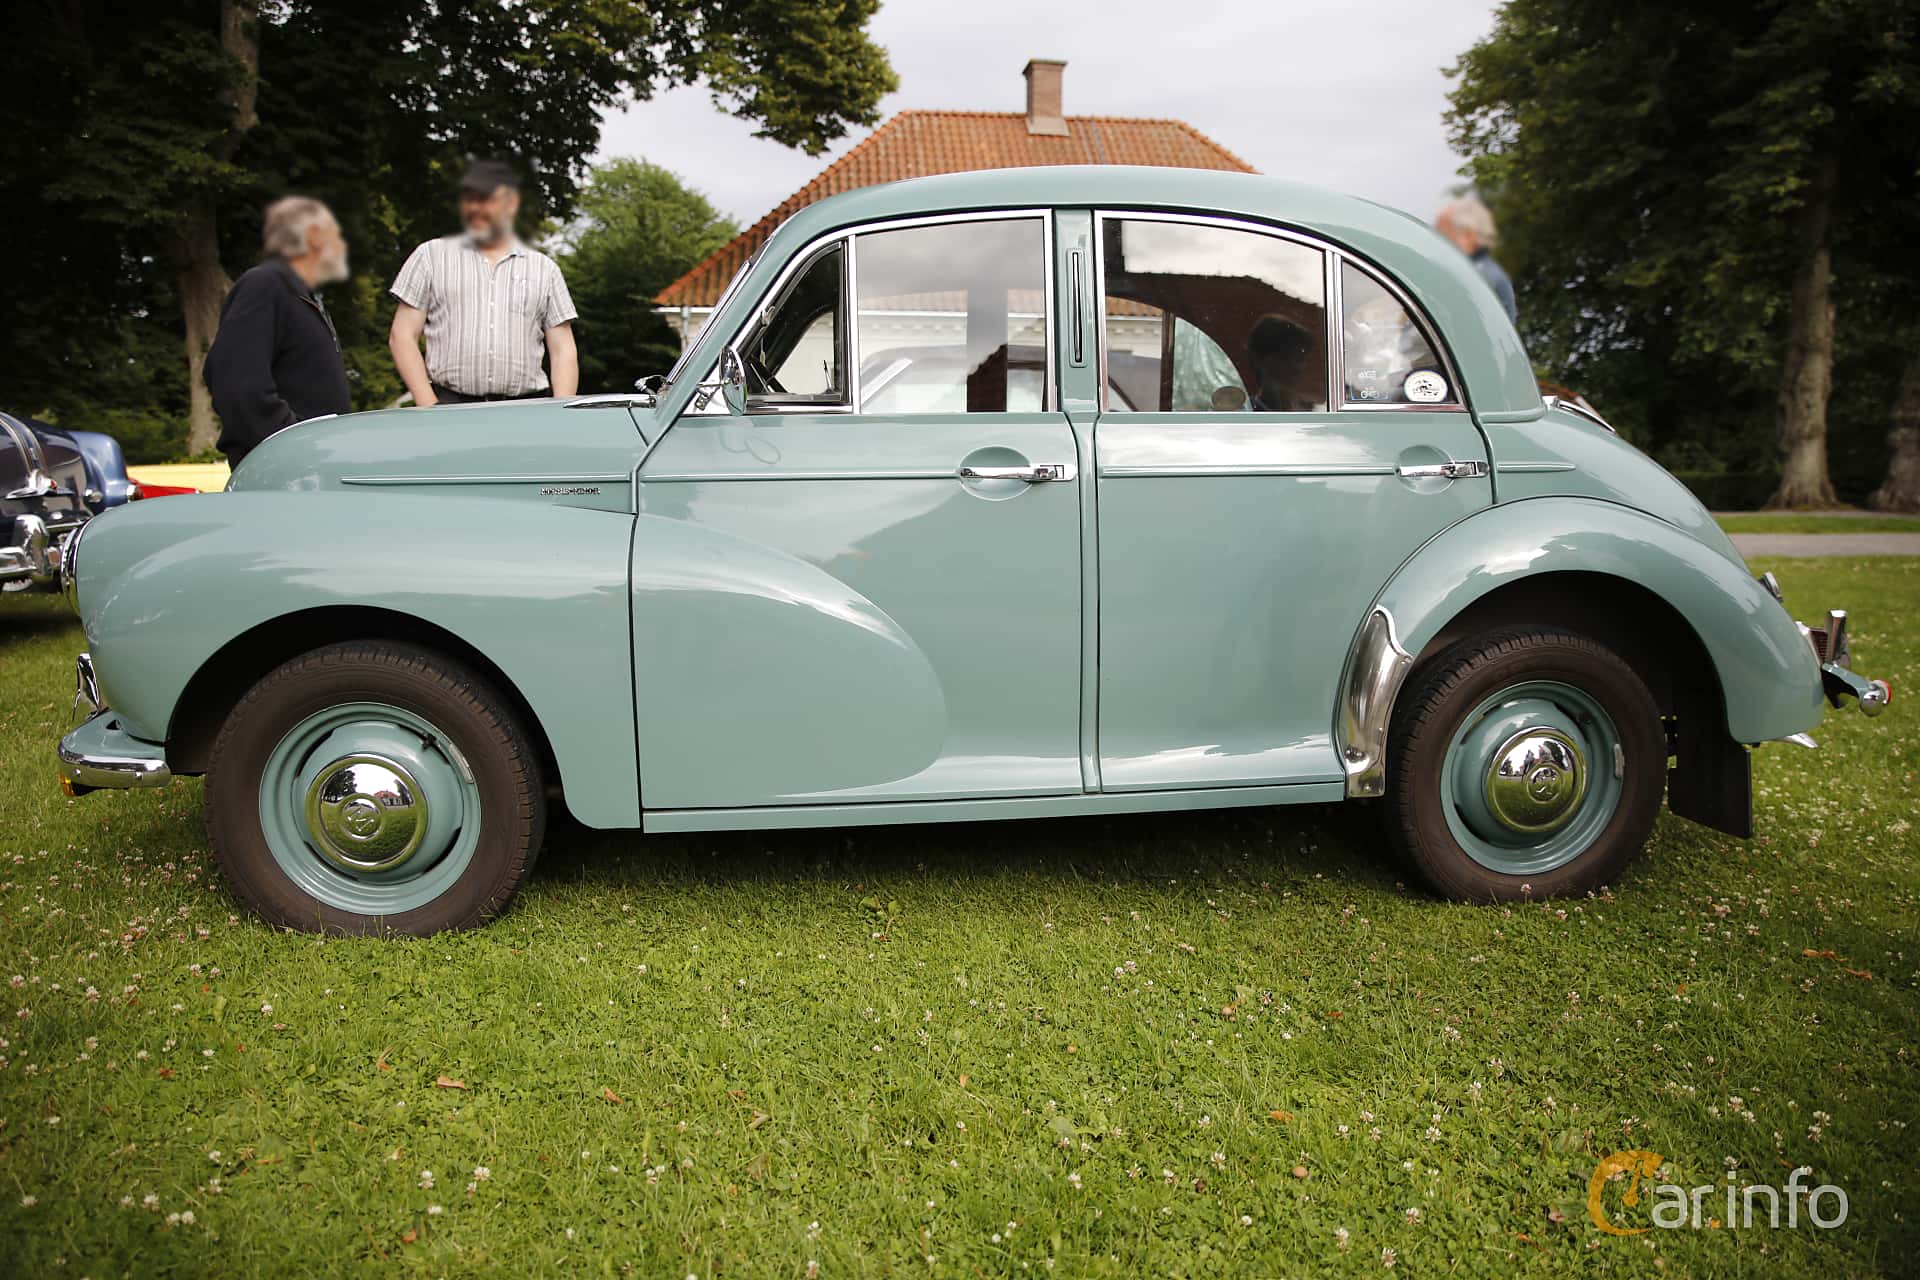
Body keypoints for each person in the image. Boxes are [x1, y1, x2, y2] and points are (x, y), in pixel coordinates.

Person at [388, 160, 579, 406]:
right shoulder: (430, 257)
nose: (475, 208)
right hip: (449, 407)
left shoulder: (545, 269)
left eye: (486, 199)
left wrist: (561, 411)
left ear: (511, 204)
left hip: (527, 409)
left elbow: (563, 349)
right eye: (469, 199)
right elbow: (402, 335)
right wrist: (428, 405)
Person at [202, 196, 352, 467]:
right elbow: (238, 385)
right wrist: (292, 445)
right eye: (336, 235)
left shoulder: (301, 296)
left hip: (309, 469)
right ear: (314, 235)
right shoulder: (265, 285)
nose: (342, 246)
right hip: (282, 471)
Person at [1436, 194, 1518, 324]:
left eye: (1443, 235)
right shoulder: (1480, 272)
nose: (1437, 243)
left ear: (1468, 236)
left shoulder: (1481, 278)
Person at [1246, 315, 1320, 412]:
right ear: (1269, 361)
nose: (1301, 367)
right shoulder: (1246, 411)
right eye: (1297, 358)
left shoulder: (1310, 410)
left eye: (1302, 359)